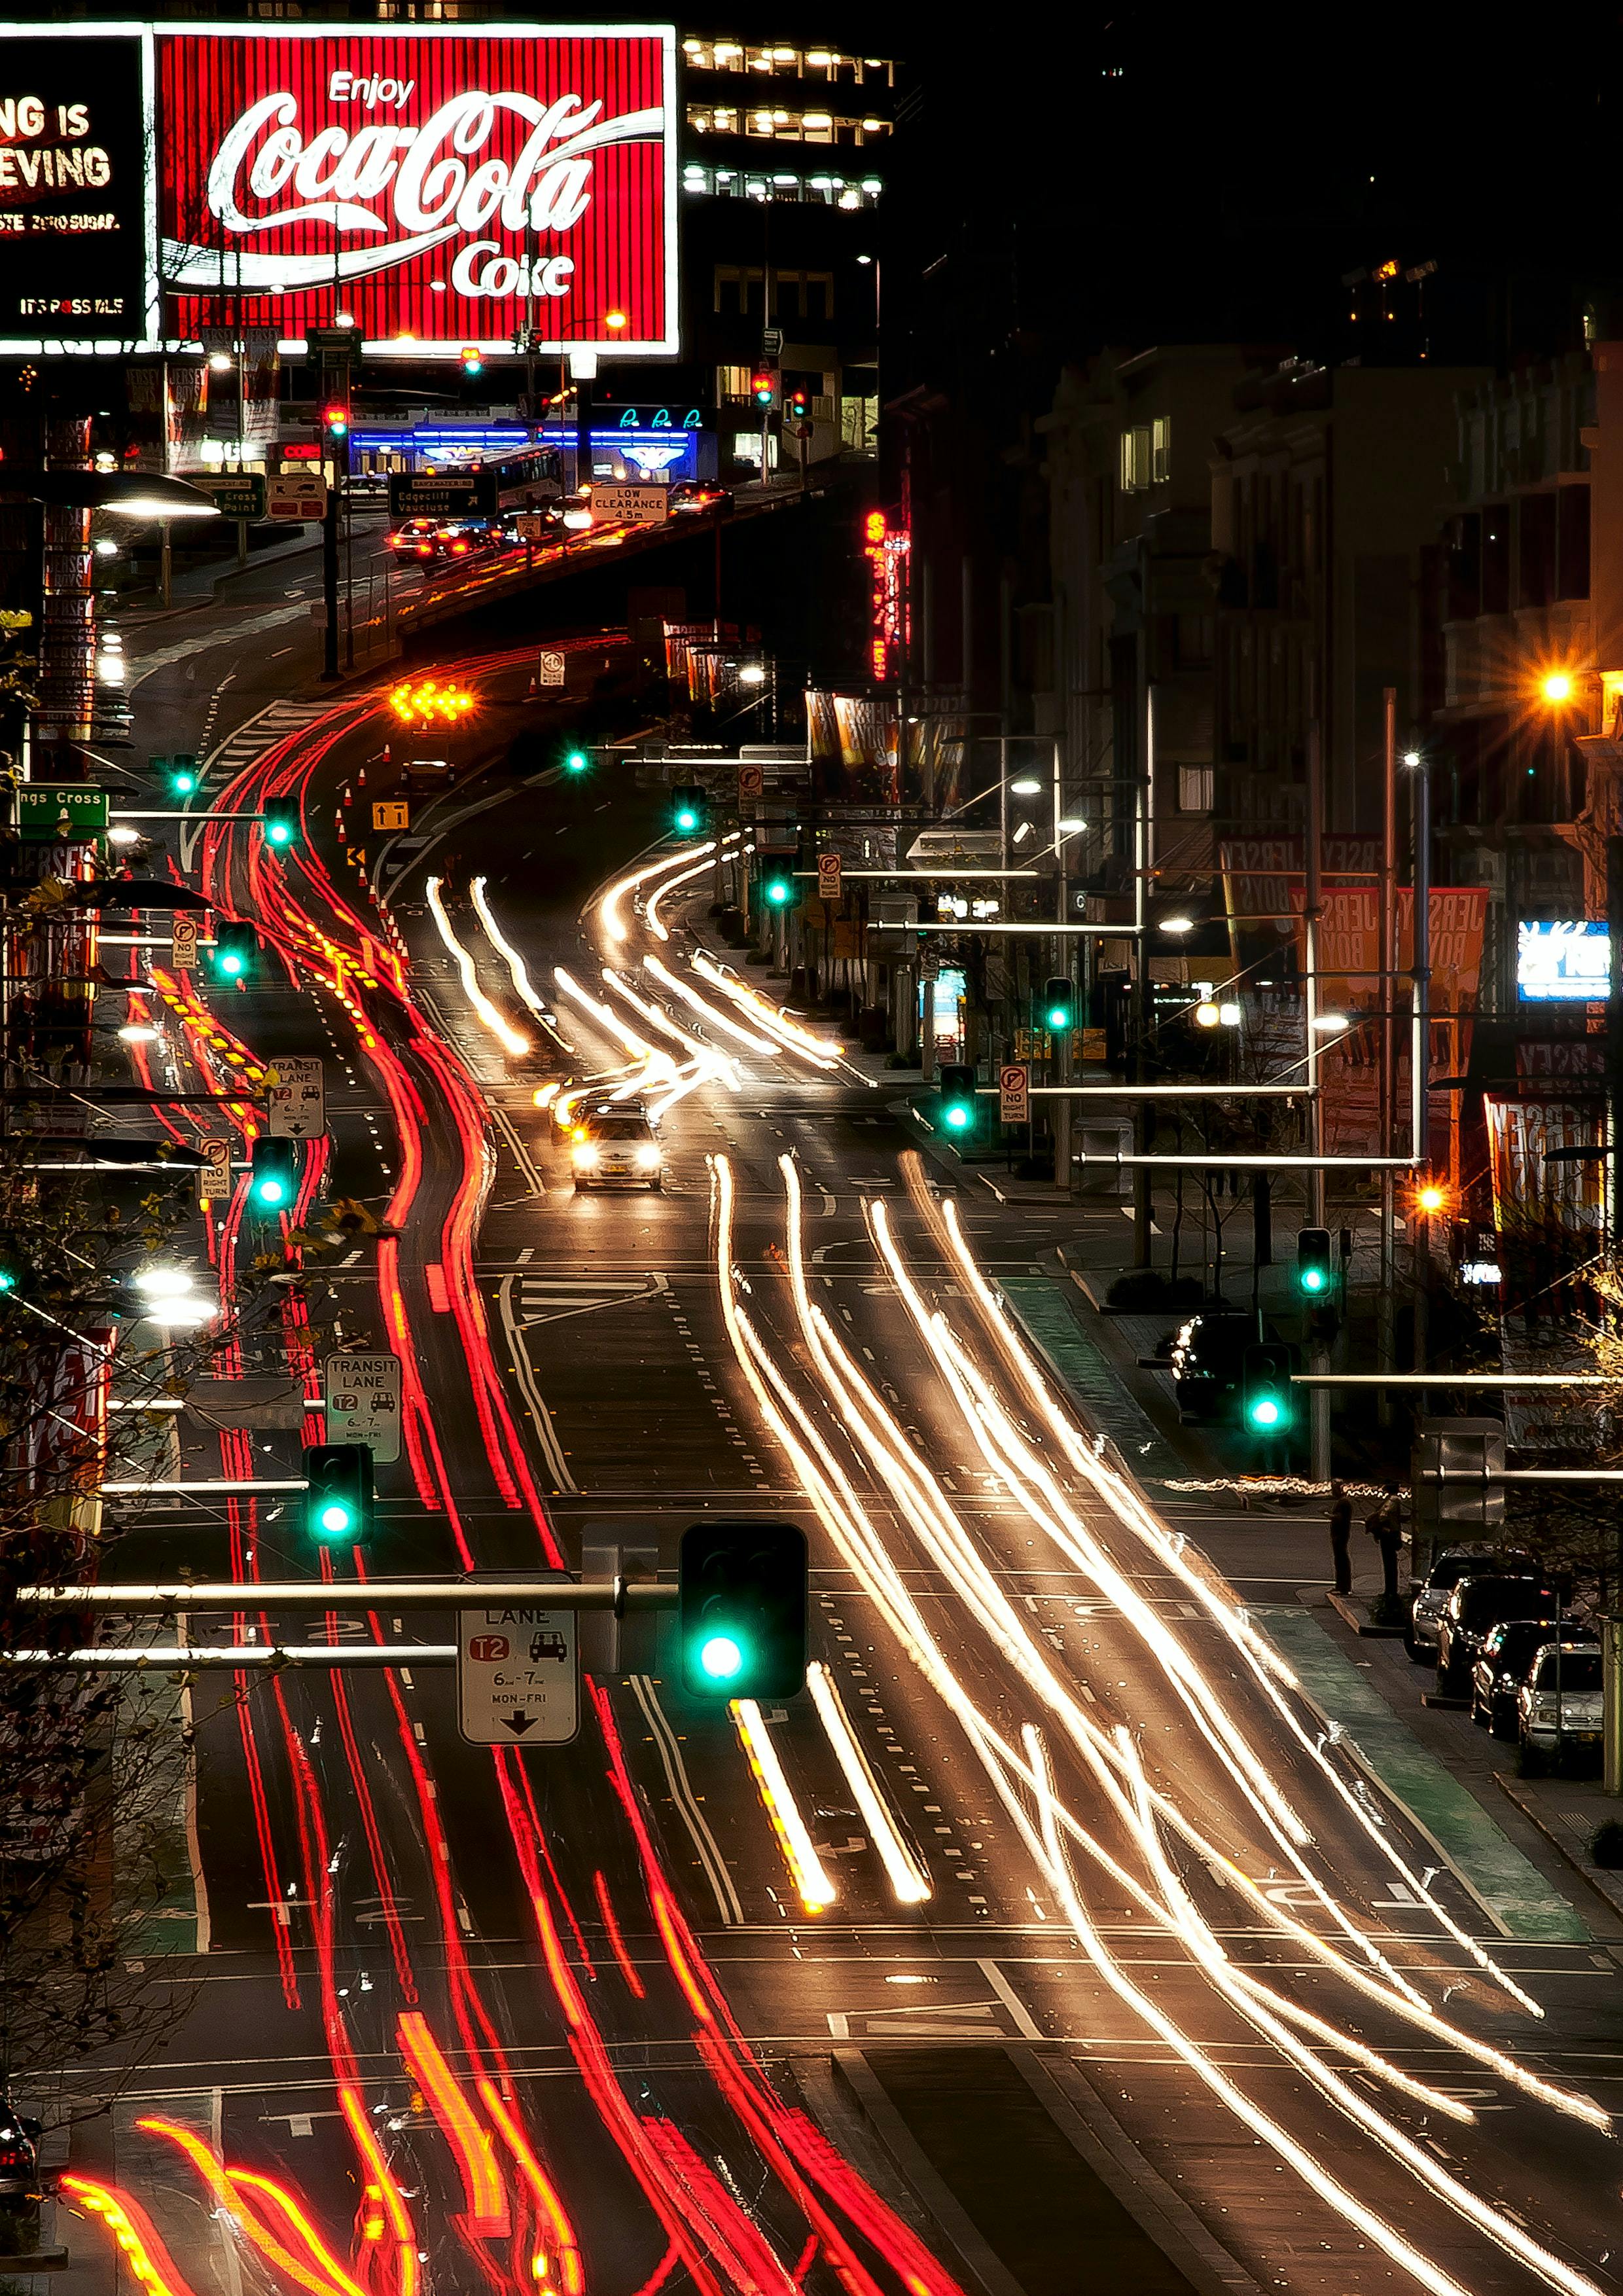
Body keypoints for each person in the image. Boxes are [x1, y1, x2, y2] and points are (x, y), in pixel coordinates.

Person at [1366, 1484, 1404, 1604]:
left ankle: (1391, 1591)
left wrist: (1377, 1522)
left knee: (1389, 1564)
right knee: (1390, 1564)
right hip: (1391, 1534)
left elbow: (1383, 1516)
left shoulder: (1393, 1500)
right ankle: (1390, 1590)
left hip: (1389, 1535)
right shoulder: (1394, 1500)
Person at [1328, 1480, 1353, 1595]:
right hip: (1340, 1534)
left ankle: (1344, 1587)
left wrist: (1328, 1516)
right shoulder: (1342, 1502)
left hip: (1340, 1534)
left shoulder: (1343, 1503)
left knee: (1341, 1560)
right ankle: (1340, 1586)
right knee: (1339, 1561)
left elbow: (1340, 1518)